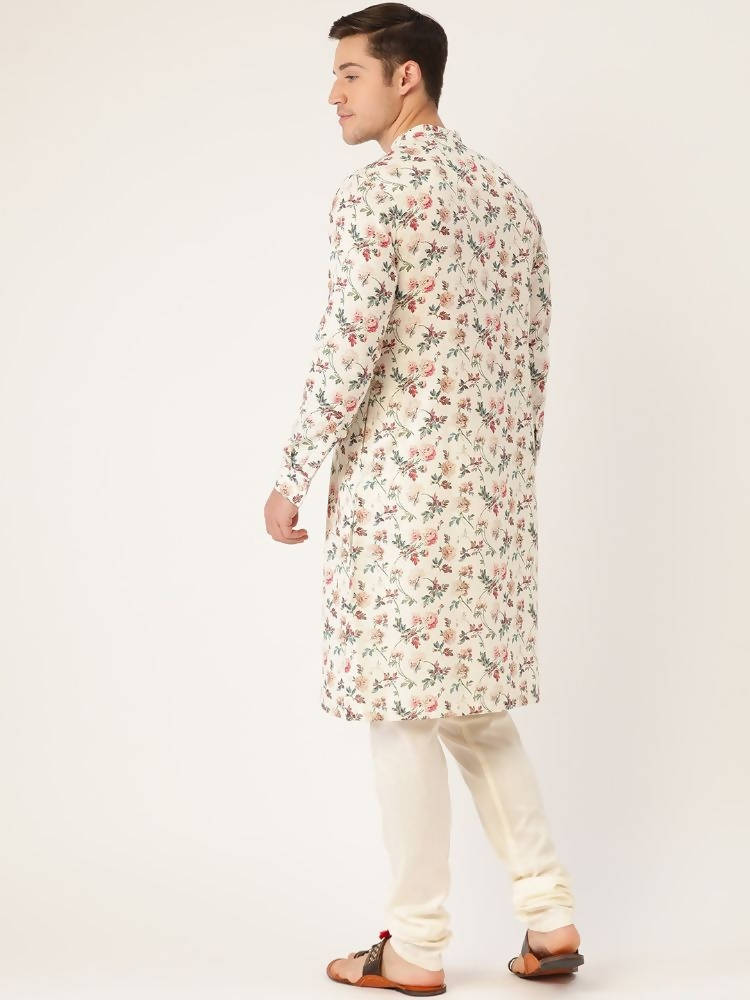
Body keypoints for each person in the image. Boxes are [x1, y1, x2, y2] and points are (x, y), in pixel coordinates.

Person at [264, 3, 584, 991]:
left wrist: (292, 469)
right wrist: (506, 489)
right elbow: (533, 363)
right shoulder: (508, 200)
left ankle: (413, 945)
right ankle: (550, 916)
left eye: (350, 73)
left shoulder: (380, 193)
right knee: (473, 711)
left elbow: (348, 345)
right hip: (487, 503)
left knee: (401, 715)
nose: (332, 93)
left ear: (407, 77)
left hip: (404, 502)